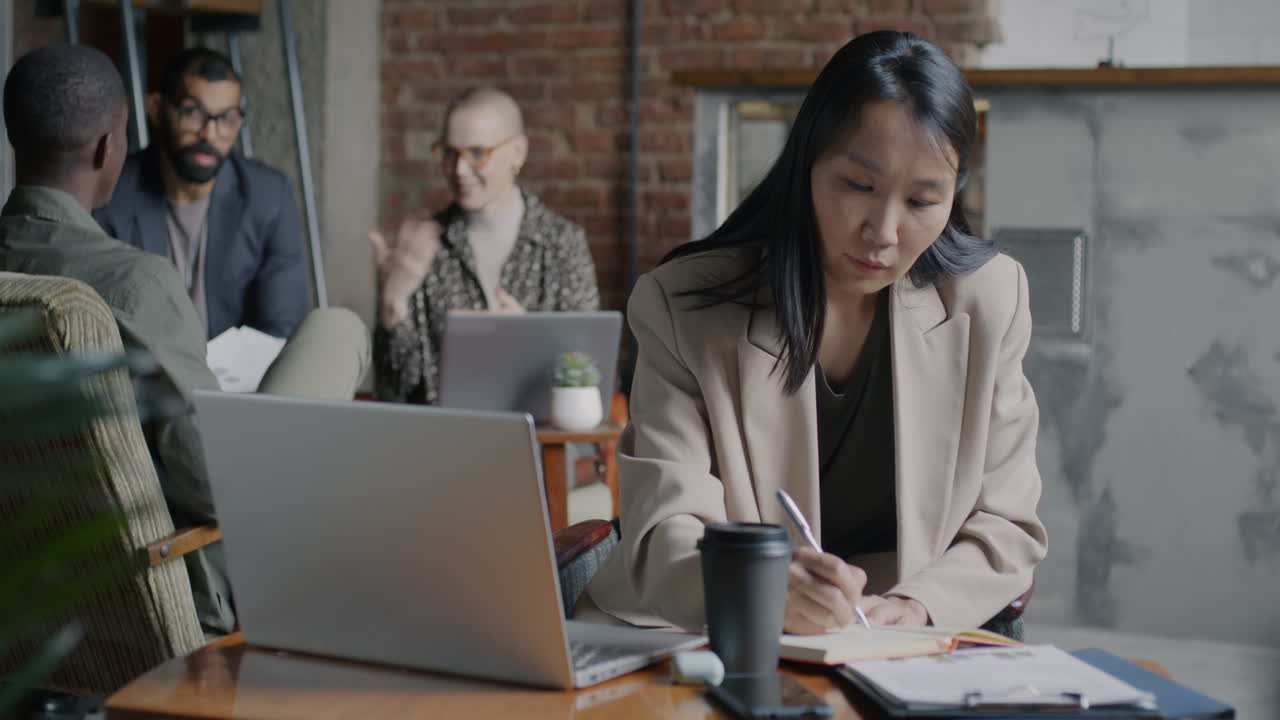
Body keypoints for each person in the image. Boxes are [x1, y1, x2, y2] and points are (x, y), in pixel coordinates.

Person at [586, 31, 1047, 635]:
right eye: (859, 186)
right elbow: (665, 527)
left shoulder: (990, 300)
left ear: (952, 198)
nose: (883, 231)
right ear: (807, 164)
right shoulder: (683, 306)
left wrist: (919, 607)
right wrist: (761, 591)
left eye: (921, 201)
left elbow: (1007, 521)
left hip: (903, 631)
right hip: (717, 625)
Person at [1, 44, 368, 633]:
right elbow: (221, 487)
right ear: (108, 146)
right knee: (338, 330)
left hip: (29, 576)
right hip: (165, 579)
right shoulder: (133, 281)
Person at [371, 86, 600, 404]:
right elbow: (397, 391)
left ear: (518, 152)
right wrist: (392, 305)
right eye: (449, 152)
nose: (459, 170)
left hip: (538, 440)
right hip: (443, 440)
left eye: (477, 153)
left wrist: (528, 342)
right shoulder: (424, 245)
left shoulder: (562, 244)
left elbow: (588, 376)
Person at [94, 47, 309, 340]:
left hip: (238, 378)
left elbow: (281, 326)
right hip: (142, 377)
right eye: (192, 112)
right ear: (157, 109)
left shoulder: (269, 196)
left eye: (227, 118)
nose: (210, 134)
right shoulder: (114, 192)